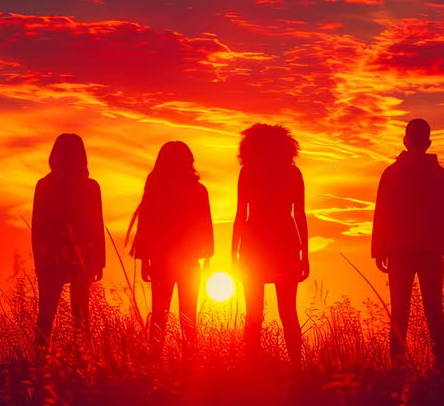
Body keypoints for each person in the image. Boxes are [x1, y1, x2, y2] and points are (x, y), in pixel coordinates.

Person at [372, 119, 444, 365]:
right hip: (431, 251)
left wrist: (379, 249)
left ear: (405, 140)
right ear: (429, 142)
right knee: (434, 308)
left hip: (399, 250)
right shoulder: (441, 175)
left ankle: (397, 364)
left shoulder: (391, 173)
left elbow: (382, 213)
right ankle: (440, 362)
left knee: (400, 310)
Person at [232, 123, 309, 364]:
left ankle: (250, 367)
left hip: (254, 246)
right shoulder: (292, 173)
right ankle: (296, 366)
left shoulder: (248, 172)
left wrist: (233, 252)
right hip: (285, 245)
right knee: (288, 313)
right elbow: (300, 215)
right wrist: (304, 254)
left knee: (253, 314)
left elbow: (240, 215)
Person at [128, 141, 214, 349]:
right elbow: (205, 225)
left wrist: (145, 260)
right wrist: (207, 257)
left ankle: (155, 363)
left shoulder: (157, 187)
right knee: (187, 318)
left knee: (160, 316)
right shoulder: (197, 190)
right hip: (187, 262)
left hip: (162, 261)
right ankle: (189, 364)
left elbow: (146, 223)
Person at [32, 133, 105, 345]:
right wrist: (98, 262)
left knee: (47, 312)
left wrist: (40, 259)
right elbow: (97, 227)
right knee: (80, 314)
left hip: (52, 255)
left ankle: (40, 357)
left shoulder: (45, 185)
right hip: (79, 255)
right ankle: (81, 359)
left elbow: (37, 227)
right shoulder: (90, 186)